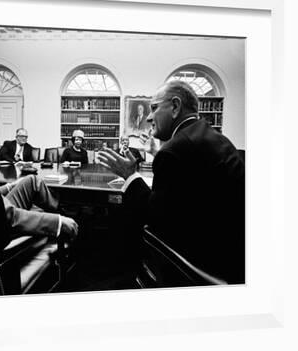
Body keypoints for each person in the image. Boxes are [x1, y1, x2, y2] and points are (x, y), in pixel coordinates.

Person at [97, 81, 244, 284]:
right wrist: (156, 153)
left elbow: (154, 218)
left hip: (199, 263)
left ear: (175, 107)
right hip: (234, 254)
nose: (149, 117)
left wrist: (129, 175)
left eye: (154, 108)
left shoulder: (176, 149)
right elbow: (190, 185)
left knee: (126, 222)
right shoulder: (210, 136)